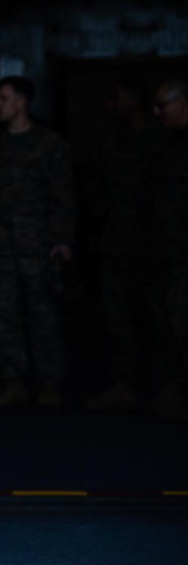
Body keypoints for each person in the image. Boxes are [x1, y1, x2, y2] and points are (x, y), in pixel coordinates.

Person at [0, 76, 75, 408]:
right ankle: (13, 382)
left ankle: (49, 383)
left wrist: (62, 239)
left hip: (38, 247)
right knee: (4, 318)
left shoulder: (49, 144)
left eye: (2, 98)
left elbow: (64, 196)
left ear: (21, 102)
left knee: (44, 317)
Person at [83, 78, 171, 412]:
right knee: (119, 318)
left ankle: (171, 386)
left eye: (117, 98)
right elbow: (94, 183)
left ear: (135, 101)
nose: (111, 104)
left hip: (155, 244)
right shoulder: (112, 143)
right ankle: (125, 384)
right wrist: (106, 212)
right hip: (118, 242)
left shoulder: (163, 140)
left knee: (162, 319)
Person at [150, 80, 188, 420]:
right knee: (171, 327)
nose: (158, 113)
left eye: (163, 106)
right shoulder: (168, 144)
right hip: (170, 253)